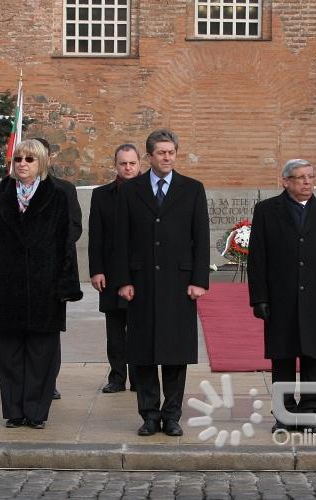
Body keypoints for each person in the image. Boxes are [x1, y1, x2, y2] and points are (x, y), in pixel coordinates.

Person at [0, 139, 82, 429]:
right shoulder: (0, 196)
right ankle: (14, 411)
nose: (22, 164)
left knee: (41, 353)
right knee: (9, 354)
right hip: (6, 286)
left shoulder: (56, 195)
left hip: (45, 287)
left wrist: (66, 286)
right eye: (18, 159)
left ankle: (36, 411)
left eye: (29, 159)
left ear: (41, 163)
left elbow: (65, 244)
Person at [112, 129, 209, 437]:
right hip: (140, 282)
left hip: (179, 282)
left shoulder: (192, 189)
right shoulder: (131, 190)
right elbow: (121, 240)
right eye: (161, 152)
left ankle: (172, 414)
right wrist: (123, 280)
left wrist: (199, 280)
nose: (167, 157)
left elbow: (201, 237)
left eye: (171, 152)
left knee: (174, 350)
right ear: (149, 156)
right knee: (143, 350)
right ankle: (150, 414)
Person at [247, 159, 316, 433]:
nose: (307, 182)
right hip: (280, 299)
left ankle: (307, 414)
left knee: (313, 359)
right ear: (286, 181)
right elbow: (258, 259)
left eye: (310, 177)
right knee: (282, 358)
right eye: (300, 177)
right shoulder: (267, 211)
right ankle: (284, 414)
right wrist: (259, 298)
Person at [32, 137, 83, 401]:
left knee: (50, 330)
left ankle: (48, 381)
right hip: (23, 274)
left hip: (53, 272)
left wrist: (49, 248)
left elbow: (74, 226)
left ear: (48, 158)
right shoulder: (11, 191)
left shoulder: (64, 189)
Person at [89, 143, 142, 393]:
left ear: (140, 163)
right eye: (123, 163)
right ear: (116, 165)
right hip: (110, 272)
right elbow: (96, 236)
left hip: (141, 273)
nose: (128, 167)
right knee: (115, 329)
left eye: (132, 163)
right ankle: (117, 376)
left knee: (140, 327)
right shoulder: (101, 195)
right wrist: (96, 269)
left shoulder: (150, 192)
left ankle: (140, 377)